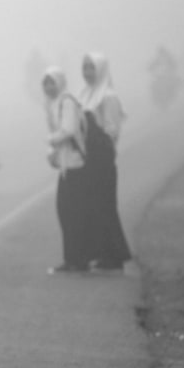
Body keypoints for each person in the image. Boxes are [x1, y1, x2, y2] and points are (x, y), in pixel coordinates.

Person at [80, 52, 132, 271]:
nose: (87, 73)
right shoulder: (85, 94)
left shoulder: (108, 96)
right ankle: (102, 252)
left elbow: (112, 130)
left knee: (105, 206)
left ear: (101, 70)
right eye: (85, 68)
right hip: (87, 158)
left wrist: (95, 133)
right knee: (93, 206)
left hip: (102, 157)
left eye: (92, 68)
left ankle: (115, 254)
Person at [41, 67, 91, 273]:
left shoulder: (67, 102)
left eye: (52, 82)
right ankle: (73, 259)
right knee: (67, 213)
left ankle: (78, 260)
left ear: (60, 83)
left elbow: (68, 130)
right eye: (45, 83)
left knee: (72, 213)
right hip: (66, 165)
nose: (48, 87)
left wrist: (50, 140)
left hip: (75, 164)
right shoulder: (53, 104)